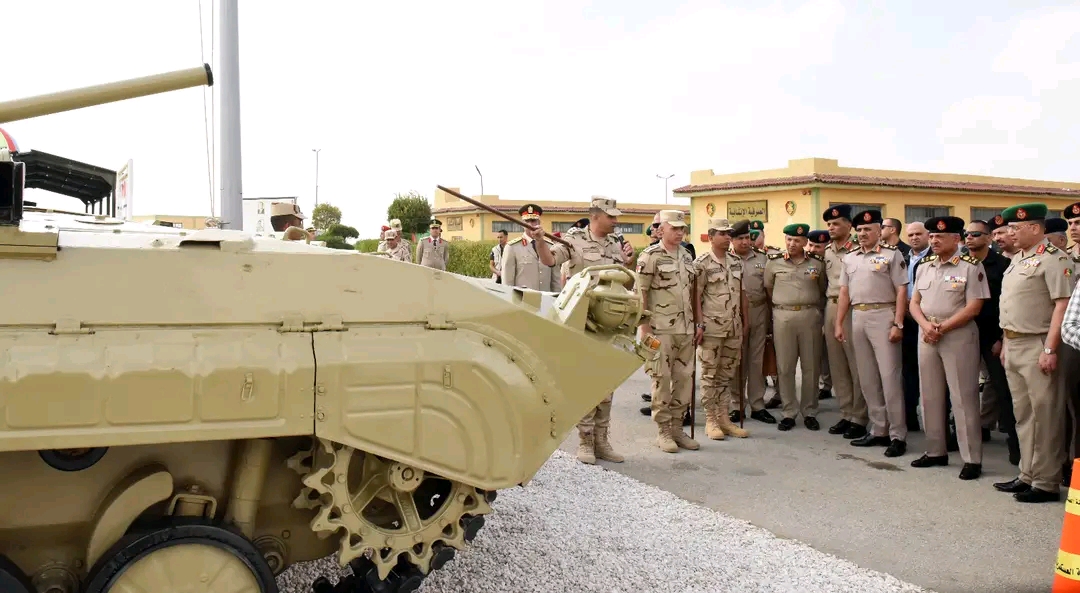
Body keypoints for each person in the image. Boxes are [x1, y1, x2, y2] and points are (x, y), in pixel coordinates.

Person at [535, 197, 636, 464]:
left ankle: (602, 441)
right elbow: (549, 260)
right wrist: (540, 241)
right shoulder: (574, 240)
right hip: (583, 321)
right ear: (595, 216)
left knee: (606, 383)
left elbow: (624, 281)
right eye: (611, 216)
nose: (615, 221)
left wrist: (630, 261)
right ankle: (586, 441)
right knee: (584, 382)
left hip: (610, 323)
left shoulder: (615, 243)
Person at [995, 203, 1075, 503]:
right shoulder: (1018, 258)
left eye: (1015, 228)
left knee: (1046, 415)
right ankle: (1027, 473)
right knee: (1024, 415)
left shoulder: (1055, 259)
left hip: (1038, 343)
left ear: (1034, 228)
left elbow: (1062, 305)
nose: (1010, 233)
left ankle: (1046, 481)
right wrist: (1006, 342)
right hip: (1014, 343)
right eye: (1010, 228)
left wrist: (1050, 348)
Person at [908, 216, 988, 480]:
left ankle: (971, 458)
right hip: (927, 334)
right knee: (929, 395)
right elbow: (914, 303)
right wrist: (925, 326)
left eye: (940, 236)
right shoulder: (924, 266)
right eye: (932, 236)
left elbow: (974, 307)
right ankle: (935, 451)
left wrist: (941, 328)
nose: (934, 240)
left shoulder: (970, 267)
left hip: (957, 335)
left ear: (956, 239)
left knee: (963, 397)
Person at [835, 209, 909, 457]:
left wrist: (898, 323)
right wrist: (839, 323)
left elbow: (901, 290)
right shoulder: (850, 258)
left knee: (890, 378)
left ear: (879, 231)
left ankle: (897, 434)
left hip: (884, 315)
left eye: (868, 229)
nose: (863, 233)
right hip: (858, 316)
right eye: (859, 230)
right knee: (867, 377)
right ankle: (879, 429)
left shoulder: (891, 254)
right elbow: (844, 293)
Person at [635, 210, 699, 453]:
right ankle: (663, 431)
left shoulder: (686, 256)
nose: (680, 232)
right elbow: (641, 293)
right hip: (660, 330)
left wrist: (696, 324)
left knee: (685, 379)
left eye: (682, 228)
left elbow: (692, 292)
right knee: (661, 379)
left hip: (685, 329)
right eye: (675, 228)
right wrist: (644, 329)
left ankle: (677, 428)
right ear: (661, 229)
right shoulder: (650, 256)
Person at [965, 218, 1019, 465]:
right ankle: (964, 435)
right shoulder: (960, 263)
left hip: (992, 336)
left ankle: (1014, 445)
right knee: (962, 388)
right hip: (963, 334)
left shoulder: (1004, 265)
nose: (969, 238)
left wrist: (1000, 338)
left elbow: (1007, 305)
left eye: (976, 234)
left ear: (988, 238)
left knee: (1002, 389)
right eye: (967, 234)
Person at [692, 218, 751, 440]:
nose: (727, 237)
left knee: (726, 375)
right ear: (711, 236)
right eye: (722, 233)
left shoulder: (736, 262)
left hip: (733, 327)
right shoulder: (702, 264)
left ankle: (724, 418)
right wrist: (699, 324)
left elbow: (742, 293)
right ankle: (711, 420)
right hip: (712, 328)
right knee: (710, 375)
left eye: (729, 234)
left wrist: (745, 321)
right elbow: (696, 297)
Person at [765, 224, 827, 431]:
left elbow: (822, 289)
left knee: (811, 367)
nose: (792, 244)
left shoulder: (817, 263)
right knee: (785, 366)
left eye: (797, 241)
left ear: (805, 242)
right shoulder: (774, 262)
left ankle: (809, 411)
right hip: (783, 316)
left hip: (810, 316)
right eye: (789, 239)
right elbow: (768, 288)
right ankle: (789, 412)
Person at [822, 205, 868, 439]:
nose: (831, 228)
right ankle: (846, 412)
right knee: (837, 364)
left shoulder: (859, 249)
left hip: (853, 309)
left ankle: (860, 417)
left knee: (856, 365)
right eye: (829, 224)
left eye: (836, 224)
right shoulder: (827, 251)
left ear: (849, 226)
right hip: (832, 306)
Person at [728, 221, 776, 425]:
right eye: (740, 238)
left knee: (757, 360)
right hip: (734, 313)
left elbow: (769, 290)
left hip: (759, 311)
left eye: (747, 238)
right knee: (737, 360)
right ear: (732, 240)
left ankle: (758, 405)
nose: (745, 242)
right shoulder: (726, 260)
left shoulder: (763, 259)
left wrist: (771, 317)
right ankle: (737, 405)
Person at [903, 221, 930, 432]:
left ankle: (937, 422)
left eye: (918, 234)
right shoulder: (903, 258)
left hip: (929, 321)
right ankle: (910, 415)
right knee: (908, 371)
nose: (914, 238)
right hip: (907, 321)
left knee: (931, 374)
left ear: (927, 235)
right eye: (911, 235)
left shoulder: (935, 258)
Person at [500, 205, 559, 291]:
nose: (530, 224)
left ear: (539, 222)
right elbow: (507, 281)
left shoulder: (550, 246)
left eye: (533, 221)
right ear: (522, 223)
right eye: (527, 221)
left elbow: (556, 280)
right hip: (523, 298)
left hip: (546, 297)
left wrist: (557, 297)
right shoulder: (512, 247)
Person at [807, 230, 833, 401]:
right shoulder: (808, 262)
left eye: (818, 246)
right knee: (817, 351)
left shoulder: (831, 260)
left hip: (830, 307)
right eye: (811, 245)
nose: (813, 250)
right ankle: (823, 385)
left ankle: (829, 383)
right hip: (813, 309)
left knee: (830, 350)